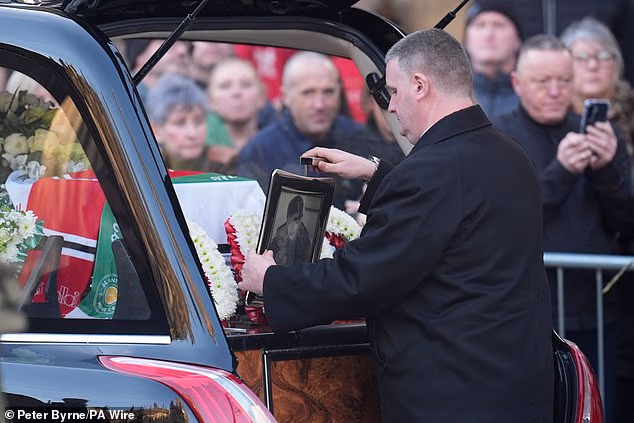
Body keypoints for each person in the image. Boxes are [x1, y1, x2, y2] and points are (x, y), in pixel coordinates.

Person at [239, 28, 554, 422]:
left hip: (455, 396)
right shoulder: (508, 153)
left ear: (420, 85)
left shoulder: (432, 170)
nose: (390, 107)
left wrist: (271, 281)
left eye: (394, 91)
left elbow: (362, 278)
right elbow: (454, 216)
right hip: (516, 385)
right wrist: (376, 173)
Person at [493, 34, 632, 423]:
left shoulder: (601, 133)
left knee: (596, 409)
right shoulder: (498, 138)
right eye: (543, 81)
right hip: (527, 312)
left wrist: (608, 169)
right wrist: (561, 172)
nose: (556, 91)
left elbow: (626, 221)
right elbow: (504, 218)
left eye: (564, 81)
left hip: (596, 308)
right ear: (518, 82)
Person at [237, 52, 373, 209]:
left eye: (328, 92)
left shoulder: (361, 138)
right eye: (308, 93)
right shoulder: (259, 150)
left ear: (340, 92)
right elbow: (248, 217)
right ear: (286, 97)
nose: (319, 104)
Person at [560, 17, 634, 159]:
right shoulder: (551, 111)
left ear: (616, 65)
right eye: (581, 57)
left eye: (603, 56)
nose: (593, 65)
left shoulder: (631, 110)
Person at [205, 58, 267, 174]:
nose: (236, 92)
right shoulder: (197, 148)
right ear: (210, 100)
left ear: (262, 96)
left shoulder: (277, 144)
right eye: (225, 86)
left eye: (246, 85)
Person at [463, 0, 523, 118]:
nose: (489, 34)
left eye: (499, 25)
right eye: (480, 25)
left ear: (518, 40)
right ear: (466, 40)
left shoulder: (533, 96)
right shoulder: (448, 94)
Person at [146, 74, 212, 172]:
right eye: (179, 123)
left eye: (198, 122)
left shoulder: (229, 163)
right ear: (156, 130)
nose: (192, 134)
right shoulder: (146, 170)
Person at [268, 195, 311, 266]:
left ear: (300, 223)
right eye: (289, 222)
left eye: (296, 223)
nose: (292, 228)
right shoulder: (278, 239)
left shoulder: (305, 242)